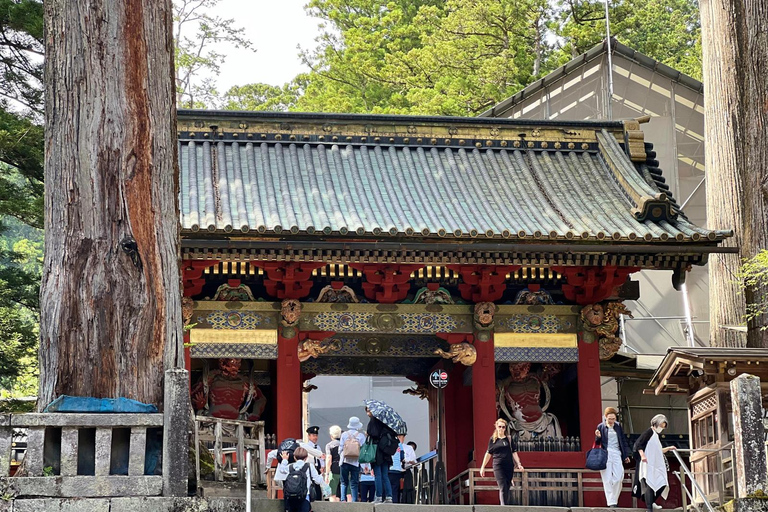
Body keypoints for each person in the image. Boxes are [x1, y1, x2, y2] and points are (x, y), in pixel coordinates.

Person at [632, 414, 677, 512]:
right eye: (661, 425)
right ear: (656, 423)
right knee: (650, 484)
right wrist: (642, 455)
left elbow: (658, 450)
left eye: (663, 427)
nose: (662, 428)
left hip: (655, 464)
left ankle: (651, 502)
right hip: (647, 463)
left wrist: (669, 448)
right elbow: (639, 444)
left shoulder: (656, 436)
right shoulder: (649, 432)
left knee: (662, 483)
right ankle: (649, 507)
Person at [479, 418, 524, 505]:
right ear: (496, 427)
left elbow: (514, 452)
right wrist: (482, 467)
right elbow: (488, 453)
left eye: (503, 427)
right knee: (502, 486)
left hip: (509, 466)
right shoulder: (493, 439)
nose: (501, 429)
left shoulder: (509, 439)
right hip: (498, 465)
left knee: (507, 487)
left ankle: (505, 505)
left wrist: (519, 464)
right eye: (499, 427)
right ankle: (503, 507)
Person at [594, 407, 632, 507]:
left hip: (617, 453)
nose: (611, 421)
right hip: (605, 453)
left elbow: (622, 441)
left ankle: (613, 499)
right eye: (609, 419)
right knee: (607, 478)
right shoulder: (601, 426)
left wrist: (625, 455)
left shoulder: (618, 426)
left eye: (613, 419)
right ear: (605, 417)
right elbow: (597, 442)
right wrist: (598, 437)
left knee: (619, 477)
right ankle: (612, 503)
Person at [274, 447, 326, 512]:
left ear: (294, 457)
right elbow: (318, 481)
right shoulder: (309, 466)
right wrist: (322, 474)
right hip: (305, 496)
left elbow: (281, 469)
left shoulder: (290, 467)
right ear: (306, 457)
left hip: (291, 497)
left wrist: (284, 459)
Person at [366, 406, 397, 503]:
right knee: (385, 475)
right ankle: (389, 497)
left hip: (377, 451)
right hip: (386, 453)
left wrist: (368, 433)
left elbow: (373, 433)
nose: (368, 412)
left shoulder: (373, 421)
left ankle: (378, 496)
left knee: (378, 475)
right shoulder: (387, 423)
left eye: (369, 410)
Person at [339, 416, 366, 502]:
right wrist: (365, 465)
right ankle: (354, 500)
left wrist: (342, 455)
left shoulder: (344, 434)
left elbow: (340, 448)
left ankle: (343, 499)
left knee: (343, 482)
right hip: (356, 462)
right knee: (354, 483)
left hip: (345, 461)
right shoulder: (361, 436)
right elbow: (363, 450)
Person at [387, 433, 417, 503]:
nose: (399, 438)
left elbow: (414, 461)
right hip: (392, 470)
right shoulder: (391, 445)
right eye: (398, 436)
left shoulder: (408, 448)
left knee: (398, 490)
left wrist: (406, 460)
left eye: (401, 437)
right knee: (391, 489)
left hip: (404, 471)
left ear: (404, 437)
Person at [300, 426, 325, 501]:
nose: (315, 437)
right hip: (309, 470)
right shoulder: (306, 447)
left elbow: (321, 459)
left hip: (317, 470)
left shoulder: (318, 447)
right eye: (313, 435)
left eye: (316, 435)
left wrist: (322, 466)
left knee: (318, 491)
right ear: (309, 436)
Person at [325, 425, 342, 502]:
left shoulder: (329, 445)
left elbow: (329, 459)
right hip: (344, 468)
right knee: (343, 493)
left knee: (332, 492)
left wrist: (327, 474)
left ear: (331, 435)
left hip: (334, 469)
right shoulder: (344, 444)